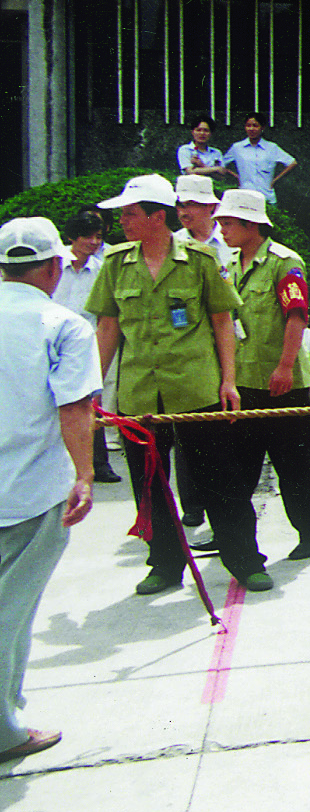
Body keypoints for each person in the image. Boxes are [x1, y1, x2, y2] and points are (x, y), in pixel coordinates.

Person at [85, 174, 242, 596]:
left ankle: (243, 559)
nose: (122, 220)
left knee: (217, 478)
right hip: (139, 393)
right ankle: (164, 563)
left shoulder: (202, 259)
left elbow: (222, 322)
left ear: (158, 217)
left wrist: (229, 380)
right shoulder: (116, 263)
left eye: (130, 213)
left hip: (195, 387)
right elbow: (107, 327)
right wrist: (92, 388)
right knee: (148, 483)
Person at [0, 217, 98, 765]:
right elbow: (75, 407)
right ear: (55, 267)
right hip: (32, 491)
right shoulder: (62, 324)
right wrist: (83, 475)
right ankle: (2, 728)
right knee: (10, 612)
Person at [215, 189, 310, 577]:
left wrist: (284, 366)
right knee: (240, 464)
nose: (222, 228)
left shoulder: (284, 262)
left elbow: (297, 316)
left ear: (251, 225)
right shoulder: (229, 262)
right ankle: (234, 537)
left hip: (284, 382)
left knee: (295, 464)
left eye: (228, 222)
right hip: (245, 379)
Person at [52, 211, 120, 483]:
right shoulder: (55, 266)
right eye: (87, 236)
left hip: (89, 342)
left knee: (93, 400)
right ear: (72, 237)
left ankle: (99, 464)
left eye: (98, 237)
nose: (93, 242)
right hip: (54, 342)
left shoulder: (102, 269)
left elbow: (106, 314)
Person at [226, 114, 296, 200]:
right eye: (248, 126)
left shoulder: (271, 147)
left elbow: (292, 162)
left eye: (255, 126)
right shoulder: (237, 147)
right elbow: (222, 164)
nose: (251, 129)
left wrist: (274, 181)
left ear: (262, 128)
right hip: (245, 194)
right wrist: (237, 176)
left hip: (266, 195)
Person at [173, 174, 233, 267]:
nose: (182, 213)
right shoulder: (173, 243)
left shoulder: (235, 242)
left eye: (190, 204)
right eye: (179, 205)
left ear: (210, 206)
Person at [176, 117, 233, 181]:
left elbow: (221, 176)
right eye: (198, 130)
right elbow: (190, 172)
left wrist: (202, 165)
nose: (202, 133)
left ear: (211, 133)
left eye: (206, 130)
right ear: (192, 132)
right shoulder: (185, 149)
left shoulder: (216, 152)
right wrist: (215, 169)